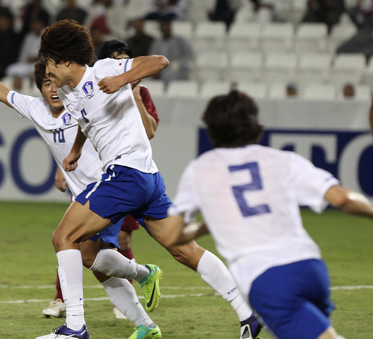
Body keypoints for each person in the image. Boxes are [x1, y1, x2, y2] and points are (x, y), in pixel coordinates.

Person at [36, 20, 260, 339]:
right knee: (184, 249)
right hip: (148, 180)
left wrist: (122, 80)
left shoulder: (103, 70)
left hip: (125, 175)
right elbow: (87, 124)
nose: (48, 73)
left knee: (64, 238)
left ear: (64, 60)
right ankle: (247, 314)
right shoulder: (72, 95)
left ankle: (75, 327)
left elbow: (159, 61)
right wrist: (74, 151)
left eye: (49, 63)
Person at [0, 44, 163, 339]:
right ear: (39, 88)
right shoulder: (38, 111)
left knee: (66, 241)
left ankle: (76, 325)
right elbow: (2, 92)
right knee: (93, 261)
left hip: (109, 186)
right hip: (84, 195)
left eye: (53, 81)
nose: (51, 89)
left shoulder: (79, 99)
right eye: (45, 84)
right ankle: (145, 315)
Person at [166, 90, 373, 339]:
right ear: (257, 126)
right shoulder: (283, 159)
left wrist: (205, 226)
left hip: (266, 278)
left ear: (211, 130)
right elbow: (343, 198)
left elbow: (172, 234)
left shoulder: (200, 169)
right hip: (311, 268)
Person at [43, 39, 160, 320]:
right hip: (95, 181)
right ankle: (141, 288)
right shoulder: (80, 92)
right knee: (83, 251)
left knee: (77, 238)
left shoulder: (133, 89)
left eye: (125, 59)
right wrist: (71, 156)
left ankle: (76, 321)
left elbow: (151, 129)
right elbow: (84, 125)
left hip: (122, 177)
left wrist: (127, 83)